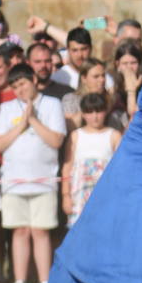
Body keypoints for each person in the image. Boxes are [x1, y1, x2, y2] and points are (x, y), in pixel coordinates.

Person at [0, 63, 66, 283]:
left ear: (33, 80)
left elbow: (56, 140)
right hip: (14, 180)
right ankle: (20, 280)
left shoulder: (52, 105)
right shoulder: (6, 108)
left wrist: (33, 120)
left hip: (43, 180)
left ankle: (45, 281)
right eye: (14, 86)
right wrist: (22, 124)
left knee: (41, 231)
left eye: (23, 84)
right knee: (20, 231)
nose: (20, 90)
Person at [61, 92, 121, 225]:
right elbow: (67, 167)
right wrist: (66, 196)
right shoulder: (76, 136)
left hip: (106, 195)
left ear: (105, 112)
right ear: (83, 114)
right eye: (90, 112)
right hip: (79, 196)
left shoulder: (114, 135)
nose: (95, 116)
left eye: (98, 111)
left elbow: (120, 169)